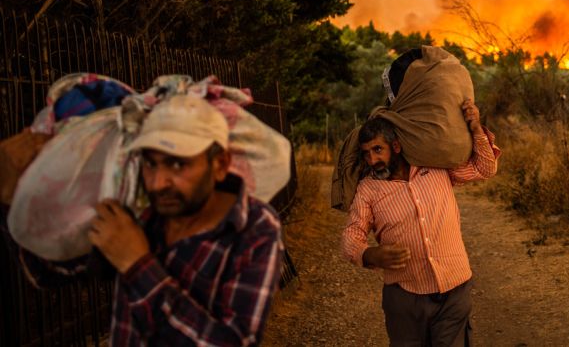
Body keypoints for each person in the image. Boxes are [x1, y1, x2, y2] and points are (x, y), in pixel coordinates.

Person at [4, 93, 284, 346]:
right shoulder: (141, 209)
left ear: (220, 164)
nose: (159, 182)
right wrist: (14, 196)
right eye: (151, 163)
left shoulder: (255, 227)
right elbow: (52, 272)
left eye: (178, 164)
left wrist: (137, 265)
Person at [341, 98, 500, 346]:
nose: (372, 160)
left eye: (377, 150)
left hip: (454, 289)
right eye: (366, 153)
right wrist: (370, 254)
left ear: (395, 146)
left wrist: (476, 128)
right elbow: (351, 236)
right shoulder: (368, 189)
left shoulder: (436, 167)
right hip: (405, 297)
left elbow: (486, 167)